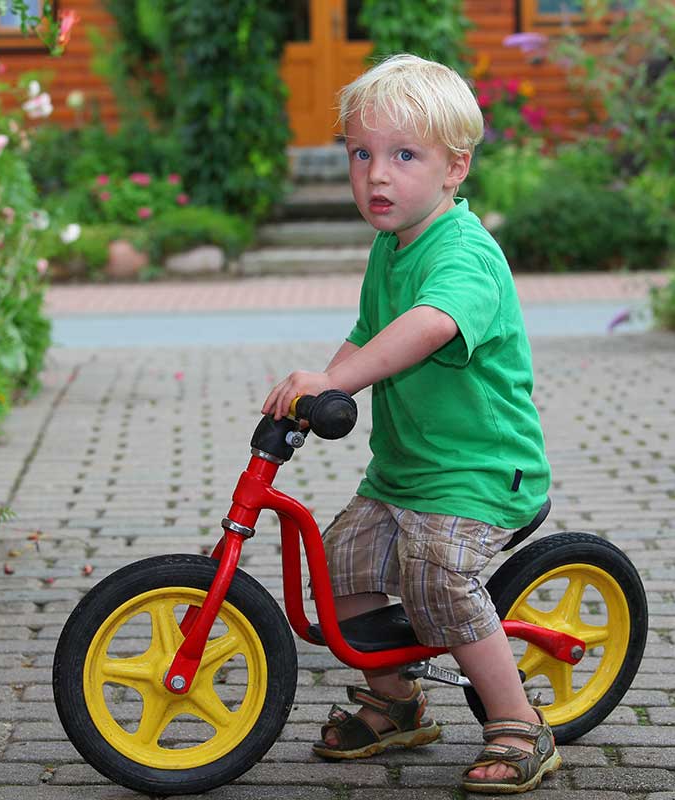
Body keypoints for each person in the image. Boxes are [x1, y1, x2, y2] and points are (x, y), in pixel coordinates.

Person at [261, 54, 557, 794]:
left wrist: (336, 381)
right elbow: (367, 336)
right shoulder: (389, 250)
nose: (376, 176)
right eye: (361, 154)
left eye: (403, 156)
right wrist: (314, 395)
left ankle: (521, 722)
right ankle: (397, 701)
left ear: (455, 168)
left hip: (479, 474)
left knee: (436, 578)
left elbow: (426, 327)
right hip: (402, 472)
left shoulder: (463, 254)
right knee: (336, 574)